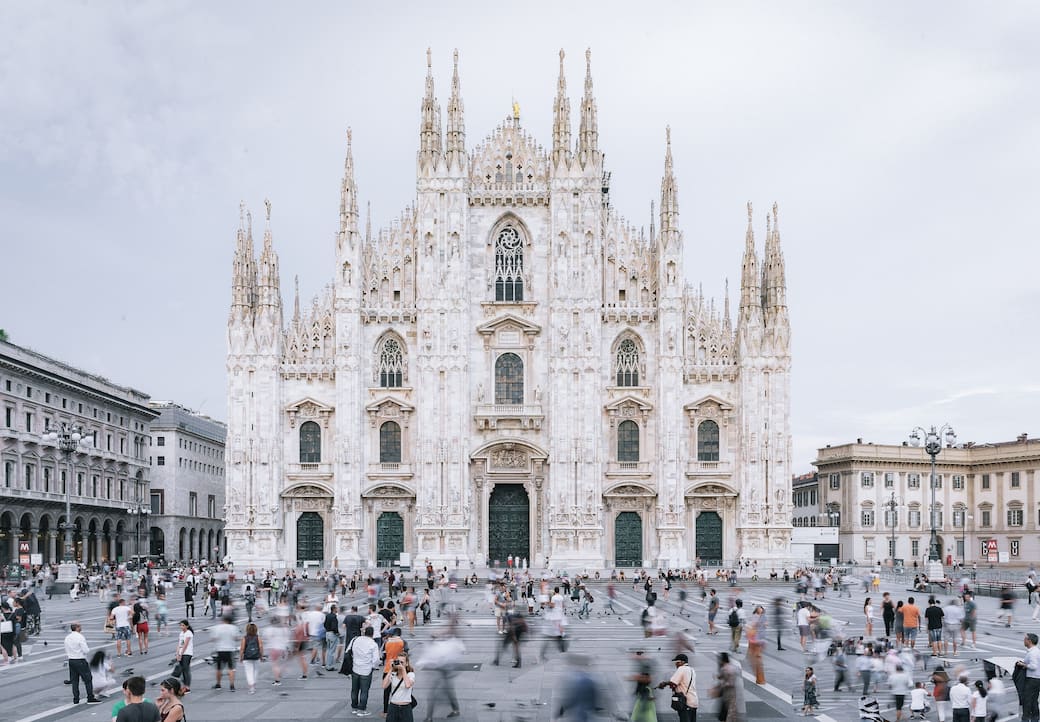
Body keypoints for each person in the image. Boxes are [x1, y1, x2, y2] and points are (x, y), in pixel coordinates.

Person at [65, 622, 102, 704]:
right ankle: (90, 697)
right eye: (80, 626)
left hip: (71, 660)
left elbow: (66, 649)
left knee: (74, 680)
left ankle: (76, 699)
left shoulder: (67, 637)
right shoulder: (80, 637)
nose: (81, 627)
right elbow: (86, 650)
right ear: (77, 628)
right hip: (80, 660)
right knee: (88, 679)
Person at [658, 652, 697, 722]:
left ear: (682, 662)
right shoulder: (692, 670)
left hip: (685, 702)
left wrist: (664, 684)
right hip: (694, 701)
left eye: (677, 662)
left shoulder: (681, 669)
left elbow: (673, 682)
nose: (676, 664)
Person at [350, 627, 380, 716]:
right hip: (366, 670)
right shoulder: (373, 644)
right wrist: (373, 667)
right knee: (364, 690)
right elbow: (376, 660)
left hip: (355, 668)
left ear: (364, 632)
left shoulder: (356, 639)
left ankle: (354, 707)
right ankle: (362, 709)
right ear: (372, 634)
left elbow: (350, 651)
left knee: (354, 690)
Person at [381, 651, 415, 721]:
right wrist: (390, 669)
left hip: (406, 708)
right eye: (398, 661)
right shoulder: (393, 674)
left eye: (402, 662)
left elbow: (408, 685)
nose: (400, 664)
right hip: (393, 707)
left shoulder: (410, 674)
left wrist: (403, 670)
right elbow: (384, 686)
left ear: (407, 663)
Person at [212, 614, 238, 690]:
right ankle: (232, 685)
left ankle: (218, 684)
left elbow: (214, 638)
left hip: (220, 650)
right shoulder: (234, 628)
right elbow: (236, 638)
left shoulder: (218, 628)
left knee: (219, 668)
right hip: (230, 650)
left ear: (224, 620)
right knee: (231, 668)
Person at [629, 650, 657, 722]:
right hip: (643, 693)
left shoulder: (645, 665)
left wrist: (634, 678)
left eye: (638, 655)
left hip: (644, 692)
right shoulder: (643, 665)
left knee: (643, 712)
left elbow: (647, 679)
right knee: (643, 712)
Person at [1018, 632, 1040, 722]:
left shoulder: (1033, 653)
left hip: (1032, 679)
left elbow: (1033, 666)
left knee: (1027, 700)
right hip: (1036, 679)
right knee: (1034, 700)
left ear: (1029, 641)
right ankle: (1035, 718)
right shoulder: (1036, 651)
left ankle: (1026, 719)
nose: (1024, 640)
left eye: (1025, 639)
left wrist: (1023, 664)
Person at [239, 622, 264, 694]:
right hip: (256, 656)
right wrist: (261, 656)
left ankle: (251, 686)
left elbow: (242, 649)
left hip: (247, 657)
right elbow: (261, 647)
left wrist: (241, 657)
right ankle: (254, 683)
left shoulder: (245, 638)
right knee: (255, 671)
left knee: (249, 671)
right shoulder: (258, 637)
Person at [175, 620, 194, 693]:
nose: (181, 627)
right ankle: (184, 685)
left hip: (187, 653)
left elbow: (185, 645)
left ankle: (187, 687)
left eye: (183, 625)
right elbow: (179, 644)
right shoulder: (181, 633)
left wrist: (180, 654)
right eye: (180, 625)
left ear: (187, 626)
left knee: (186, 670)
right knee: (182, 670)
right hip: (181, 653)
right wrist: (177, 653)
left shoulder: (189, 633)